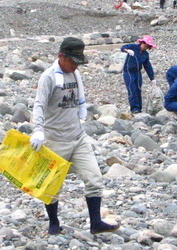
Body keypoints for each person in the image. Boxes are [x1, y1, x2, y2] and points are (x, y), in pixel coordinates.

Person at [30, 37, 119, 236]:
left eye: (78, 62)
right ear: (60, 56)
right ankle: (54, 222)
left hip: (78, 137)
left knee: (94, 178)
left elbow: (78, 100)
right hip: (55, 139)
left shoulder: (74, 74)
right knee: (52, 185)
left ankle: (95, 223)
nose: (75, 66)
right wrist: (38, 130)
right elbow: (39, 104)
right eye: (72, 61)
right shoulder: (49, 77)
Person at [121, 36, 156, 114]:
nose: (145, 48)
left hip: (137, 72)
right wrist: (128, 51)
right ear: (142, 43)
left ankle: (139, 108)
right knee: (132, 89)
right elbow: (123, 47)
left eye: (147, 47)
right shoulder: (133, 47)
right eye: (145, 45)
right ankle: (134, 109)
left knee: (138, 90)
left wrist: (152, 78)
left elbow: (147, 66)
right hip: (128, 72)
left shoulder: (145, 54)